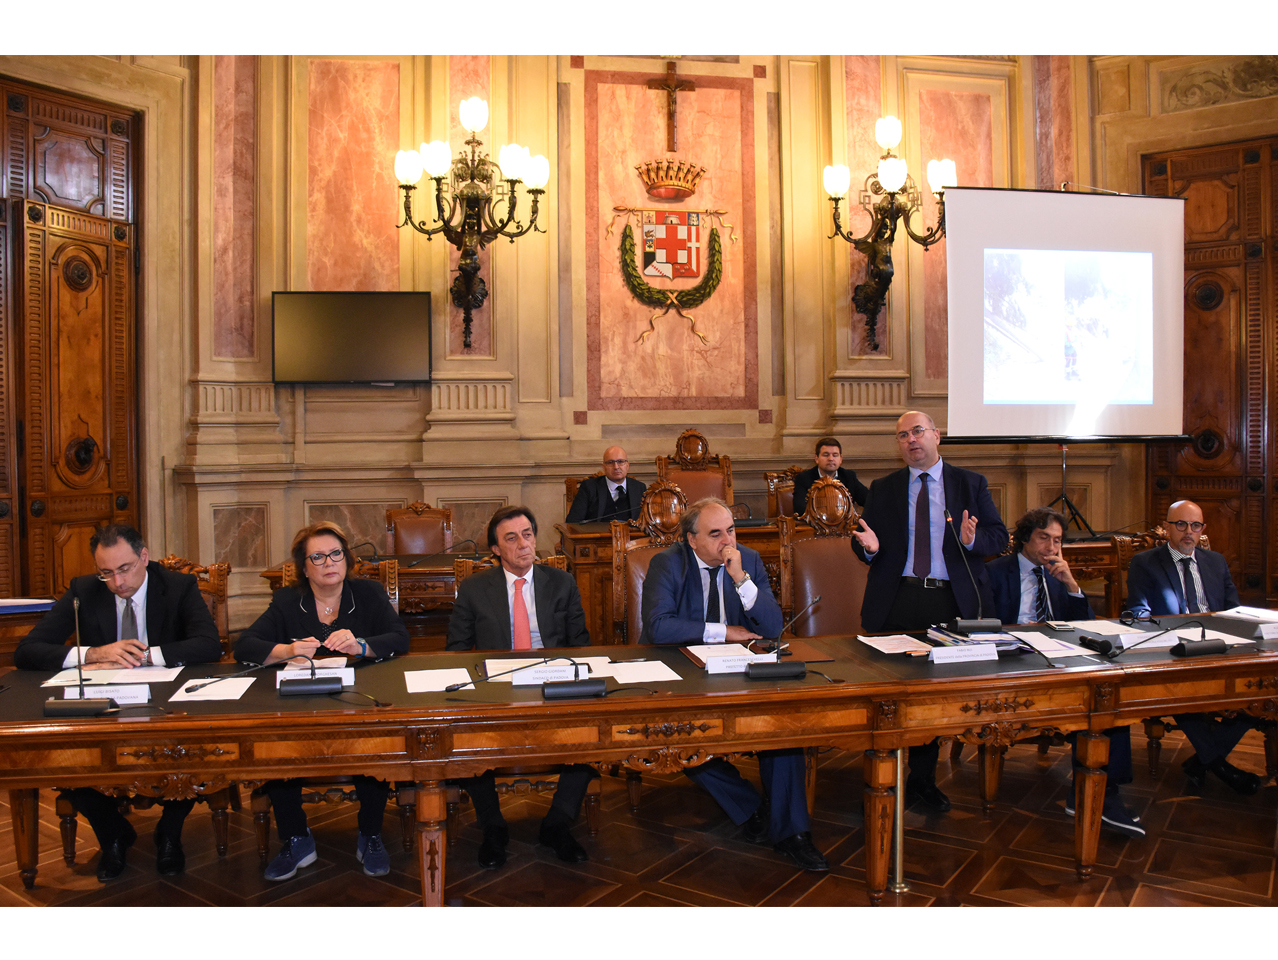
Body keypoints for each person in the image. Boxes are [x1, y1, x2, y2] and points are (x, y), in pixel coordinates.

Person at [14, 524, 222, 881]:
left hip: (165, 702)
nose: (117, 582)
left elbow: (209, 644)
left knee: (190, 746)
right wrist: (94, 653)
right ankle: (113, 835)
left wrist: (145, 655)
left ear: (144, 557)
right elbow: (27, 650)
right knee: (69, 753)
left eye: (124, 569)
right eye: (106, 573)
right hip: (103, 703)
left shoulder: (177, 585)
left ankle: (170, 833)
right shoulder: (83, 590)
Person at [638, 497, 829, 872]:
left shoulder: (748, 561)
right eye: (715, 534)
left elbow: (772, 627)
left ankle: (793, 834)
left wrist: (741, 579)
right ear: (692, 540)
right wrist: (723, 631)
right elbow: (659, 627)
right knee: (681, 736)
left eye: (731, 530)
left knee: (784, 725)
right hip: (685, 670)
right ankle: (751, 807)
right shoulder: (668, 563)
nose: (728, 541)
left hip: (741, 669)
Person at [234, 521, 410, 881]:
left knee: (375, 741)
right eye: (318, 557)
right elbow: (245, 646)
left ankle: (370, 834)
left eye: (335, 554)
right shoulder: (287, 601)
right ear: (304, 567)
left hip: (358, 697)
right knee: (276, 744)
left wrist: (361, 645)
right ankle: (296, 837)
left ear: (346, 558)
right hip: (302, 701)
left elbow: (400, 638)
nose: (329, 562)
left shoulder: (368, 593)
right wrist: (286, 651)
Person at [852, 410, 1008, 813]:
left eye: (917, 431)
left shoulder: (970, 484)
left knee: (933, 696)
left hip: (949, 600)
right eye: (902, 435)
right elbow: (863, 538)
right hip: (897, 598)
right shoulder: (884, 487)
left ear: (937, 436)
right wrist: (868, 549)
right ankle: (882, 772)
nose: (911, 440)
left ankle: (921, 779)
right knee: (890, 691)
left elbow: (998, 537)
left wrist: (971, 541)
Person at [446, 506, 597, 869]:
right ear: (496, 549)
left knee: (592, 729)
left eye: (527, 534)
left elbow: (580, 645)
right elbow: (456, 651)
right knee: (463, 735)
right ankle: (493, 826)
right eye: (511, 538)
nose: (523, 544)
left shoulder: (561, 582)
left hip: (552, 683)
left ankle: (557, 822)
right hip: (496, 687)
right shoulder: (475, 589)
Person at [987, 508, 1143, 838]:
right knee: (1093, 706)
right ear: (1025, 538)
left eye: (1057, 540)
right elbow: (981, 625)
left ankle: (1102, 790)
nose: (1051, 547)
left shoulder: (1058, 574)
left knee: (1107, 700)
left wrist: (1071, 585)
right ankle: (1096, 794)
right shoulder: (995, 572)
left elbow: (1085, 626)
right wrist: (1019, 633)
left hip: (1058, 662)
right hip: (1012, 664)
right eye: (1044, 538)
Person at [1125, 499, 1262, 796]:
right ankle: (1220, 767)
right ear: (1167, 528)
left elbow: (1233, 610)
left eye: (1195, 525)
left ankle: (1202, 762)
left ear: (1203, 529)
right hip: (1175, 650)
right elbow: (1138, 611)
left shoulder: (1216, 561)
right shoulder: (1146, 562)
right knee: (1179, 691)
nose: (1189, 532)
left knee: (1260, 692)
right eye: (1181, 524)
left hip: (1220, 646)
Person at [565, 446, 647, 522]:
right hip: (597, 533)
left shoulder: (639, 488)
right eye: (610, 462)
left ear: (627, 465)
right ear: (604, 467)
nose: (616, 467)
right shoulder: (589, 487)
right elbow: (573, 522)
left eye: (620, 462)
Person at [791, 436, 868, 516]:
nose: (831, 459)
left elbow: (869, 501)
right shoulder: (803, 478)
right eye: (826, 455)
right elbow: (799, 508)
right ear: (816, 458)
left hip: (845, 523)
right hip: (815, 523)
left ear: (840, 459)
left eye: (835, 455)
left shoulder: (849, 476)